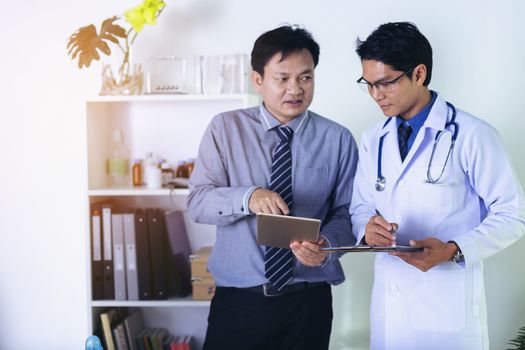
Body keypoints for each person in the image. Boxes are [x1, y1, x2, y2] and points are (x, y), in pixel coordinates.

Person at [350, 21, 525, 349]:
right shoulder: (373, 138)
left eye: (385, 83)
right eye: (368, 84)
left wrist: (454, 249)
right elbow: (360, 205)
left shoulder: (473, 135)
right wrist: (366, 229)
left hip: (447, 315)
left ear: (419, 73)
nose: (376, 95)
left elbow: (514, 215)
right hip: (389, 313)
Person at [187, 25, 358, 349]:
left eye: (306, 77)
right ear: (258, 81)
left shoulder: (337, 139)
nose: (295, 89)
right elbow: (198, 202)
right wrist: (247, 197)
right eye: (283, 78)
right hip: (239, 304)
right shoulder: (225, 128)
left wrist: (327, 244)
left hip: (308, 305)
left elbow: (349, 212)